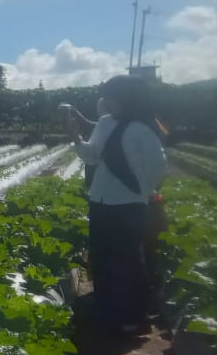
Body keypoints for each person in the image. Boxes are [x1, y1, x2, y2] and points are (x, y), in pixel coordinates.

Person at [70, 75, 167, 334]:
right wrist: (77, 140)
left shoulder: (143, 129)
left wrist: (142, 190)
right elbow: (92, 156)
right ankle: (106, 310)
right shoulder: (104, 123)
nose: (106, 101)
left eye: (110, 96)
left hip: (129, 206)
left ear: (125, 98)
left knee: (126, 262)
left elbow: (158, 168)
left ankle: (129, 317)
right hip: (100, 201)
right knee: (102, 257)